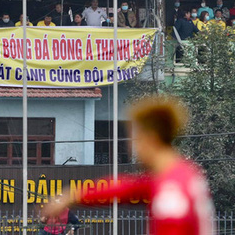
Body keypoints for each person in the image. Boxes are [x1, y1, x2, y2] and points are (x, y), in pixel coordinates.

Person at [42, 95, 216, 235]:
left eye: (135, 139)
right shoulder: (180, 173)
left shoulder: (171, 190)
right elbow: (126, 188)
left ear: (150, 138)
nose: (131, 146)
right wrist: (74, 197)